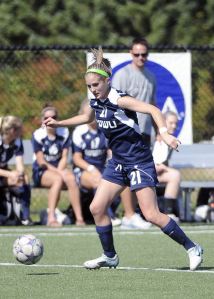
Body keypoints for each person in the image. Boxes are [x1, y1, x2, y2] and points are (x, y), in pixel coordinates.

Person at [44, 47, 203, 271]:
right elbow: (85, 117)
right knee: (97, 208)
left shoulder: (120, 99)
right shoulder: (95, 99)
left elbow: (153, 110)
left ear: (107, 81)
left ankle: (192, 247)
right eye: (89, 86)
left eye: (96, 85)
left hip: (138, 160)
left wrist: (165, 133)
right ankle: (109, 256)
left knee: (151, 214)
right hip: (118, 162)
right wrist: (59, 124)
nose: (92, 89)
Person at [72, 100, 151, 229]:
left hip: (103, 169)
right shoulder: (79, 131)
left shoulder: (104, 127)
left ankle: (129, 215)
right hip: (84, 171)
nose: (92, 116)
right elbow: (76, 158)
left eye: (94, 113)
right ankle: (108, 216)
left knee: (125, 175)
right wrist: (91, 169)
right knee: (97, 180)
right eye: (88, 113)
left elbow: (111, 150)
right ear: (82, 114)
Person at [32, 105, 85, 227]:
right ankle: (51, 218)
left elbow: (64, 157)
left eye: (53, 117)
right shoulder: (38, 134)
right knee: (58, 179)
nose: (50, 120)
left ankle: (79, 218)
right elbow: (41, 161)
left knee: (71, 178)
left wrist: (60, 170)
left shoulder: (64, 131)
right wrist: (59, 172)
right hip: (42, 171)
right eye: (46, 118)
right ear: (42, 120)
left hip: (59, 168)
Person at [112, 36, 156, 146]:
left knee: (143, 163)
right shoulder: (122, 75)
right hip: (126, 131)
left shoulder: (151, 77)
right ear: (131, 53)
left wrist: (158, 130)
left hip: (145, 131)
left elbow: (152, 106)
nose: (140, 57)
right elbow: (113, 104)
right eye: (137, 54)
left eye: (144, 54)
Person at [0, 115, 32, 225]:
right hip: (3, 172)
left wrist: (20, 174)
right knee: (14, 177)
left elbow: (19, 164)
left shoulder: (17, 141)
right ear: (13, 130)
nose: (22, 131)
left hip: (3, 172)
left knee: (24, 179)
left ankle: (25, 216)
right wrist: (9, 174)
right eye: (20, 129)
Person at [152, 111, 181, 221]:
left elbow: (163, 161)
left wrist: (162, 167)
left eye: (176, 123)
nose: (174, 126)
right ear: (163, 122)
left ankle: (168, 212)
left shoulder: (172, 141)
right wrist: (153, 166)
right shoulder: (151, 136)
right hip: (146, 170)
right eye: (171, 123)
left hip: (160, 173)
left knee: (175, 175)